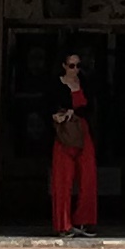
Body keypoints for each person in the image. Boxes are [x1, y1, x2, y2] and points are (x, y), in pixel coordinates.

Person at [49, 50, 98, 238]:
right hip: (65, 135)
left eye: (78, 66)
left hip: (83, 132)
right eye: (72, 65)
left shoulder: (85, 83)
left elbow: (91, 107)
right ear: (64, 66)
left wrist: (76, 111)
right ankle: (63, 224)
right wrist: (60, 114)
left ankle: (85, 221)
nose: (75, 69)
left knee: (88, 178)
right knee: (63, 180)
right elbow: (48, 106)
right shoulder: (56, 85)